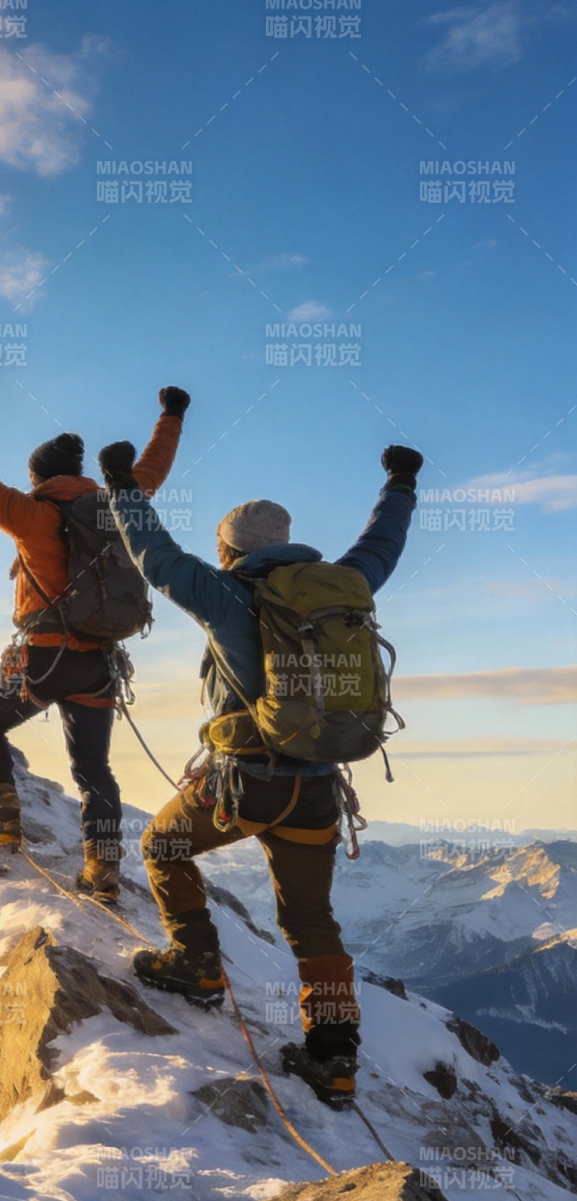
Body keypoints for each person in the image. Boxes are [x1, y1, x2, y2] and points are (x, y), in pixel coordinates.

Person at [98, 440, 423, 1109]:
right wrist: (401, 482)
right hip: (317, 790)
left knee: (161, 847)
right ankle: (333, 1057)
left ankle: (195, 964)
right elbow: (382, 543)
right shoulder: (346, 585)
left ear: (229, 548)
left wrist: (122, 488)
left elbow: (155, 557)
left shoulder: (224, 593)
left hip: (242, 785)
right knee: (311, 922)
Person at [0, 388, 190, 901]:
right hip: (100, 662)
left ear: (41, 477)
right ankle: (103, 871)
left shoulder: (33, 515)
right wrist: (171, 415)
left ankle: (1, 818)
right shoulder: (119, 502)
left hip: (45, 656)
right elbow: (154, 467)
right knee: (94, 768)